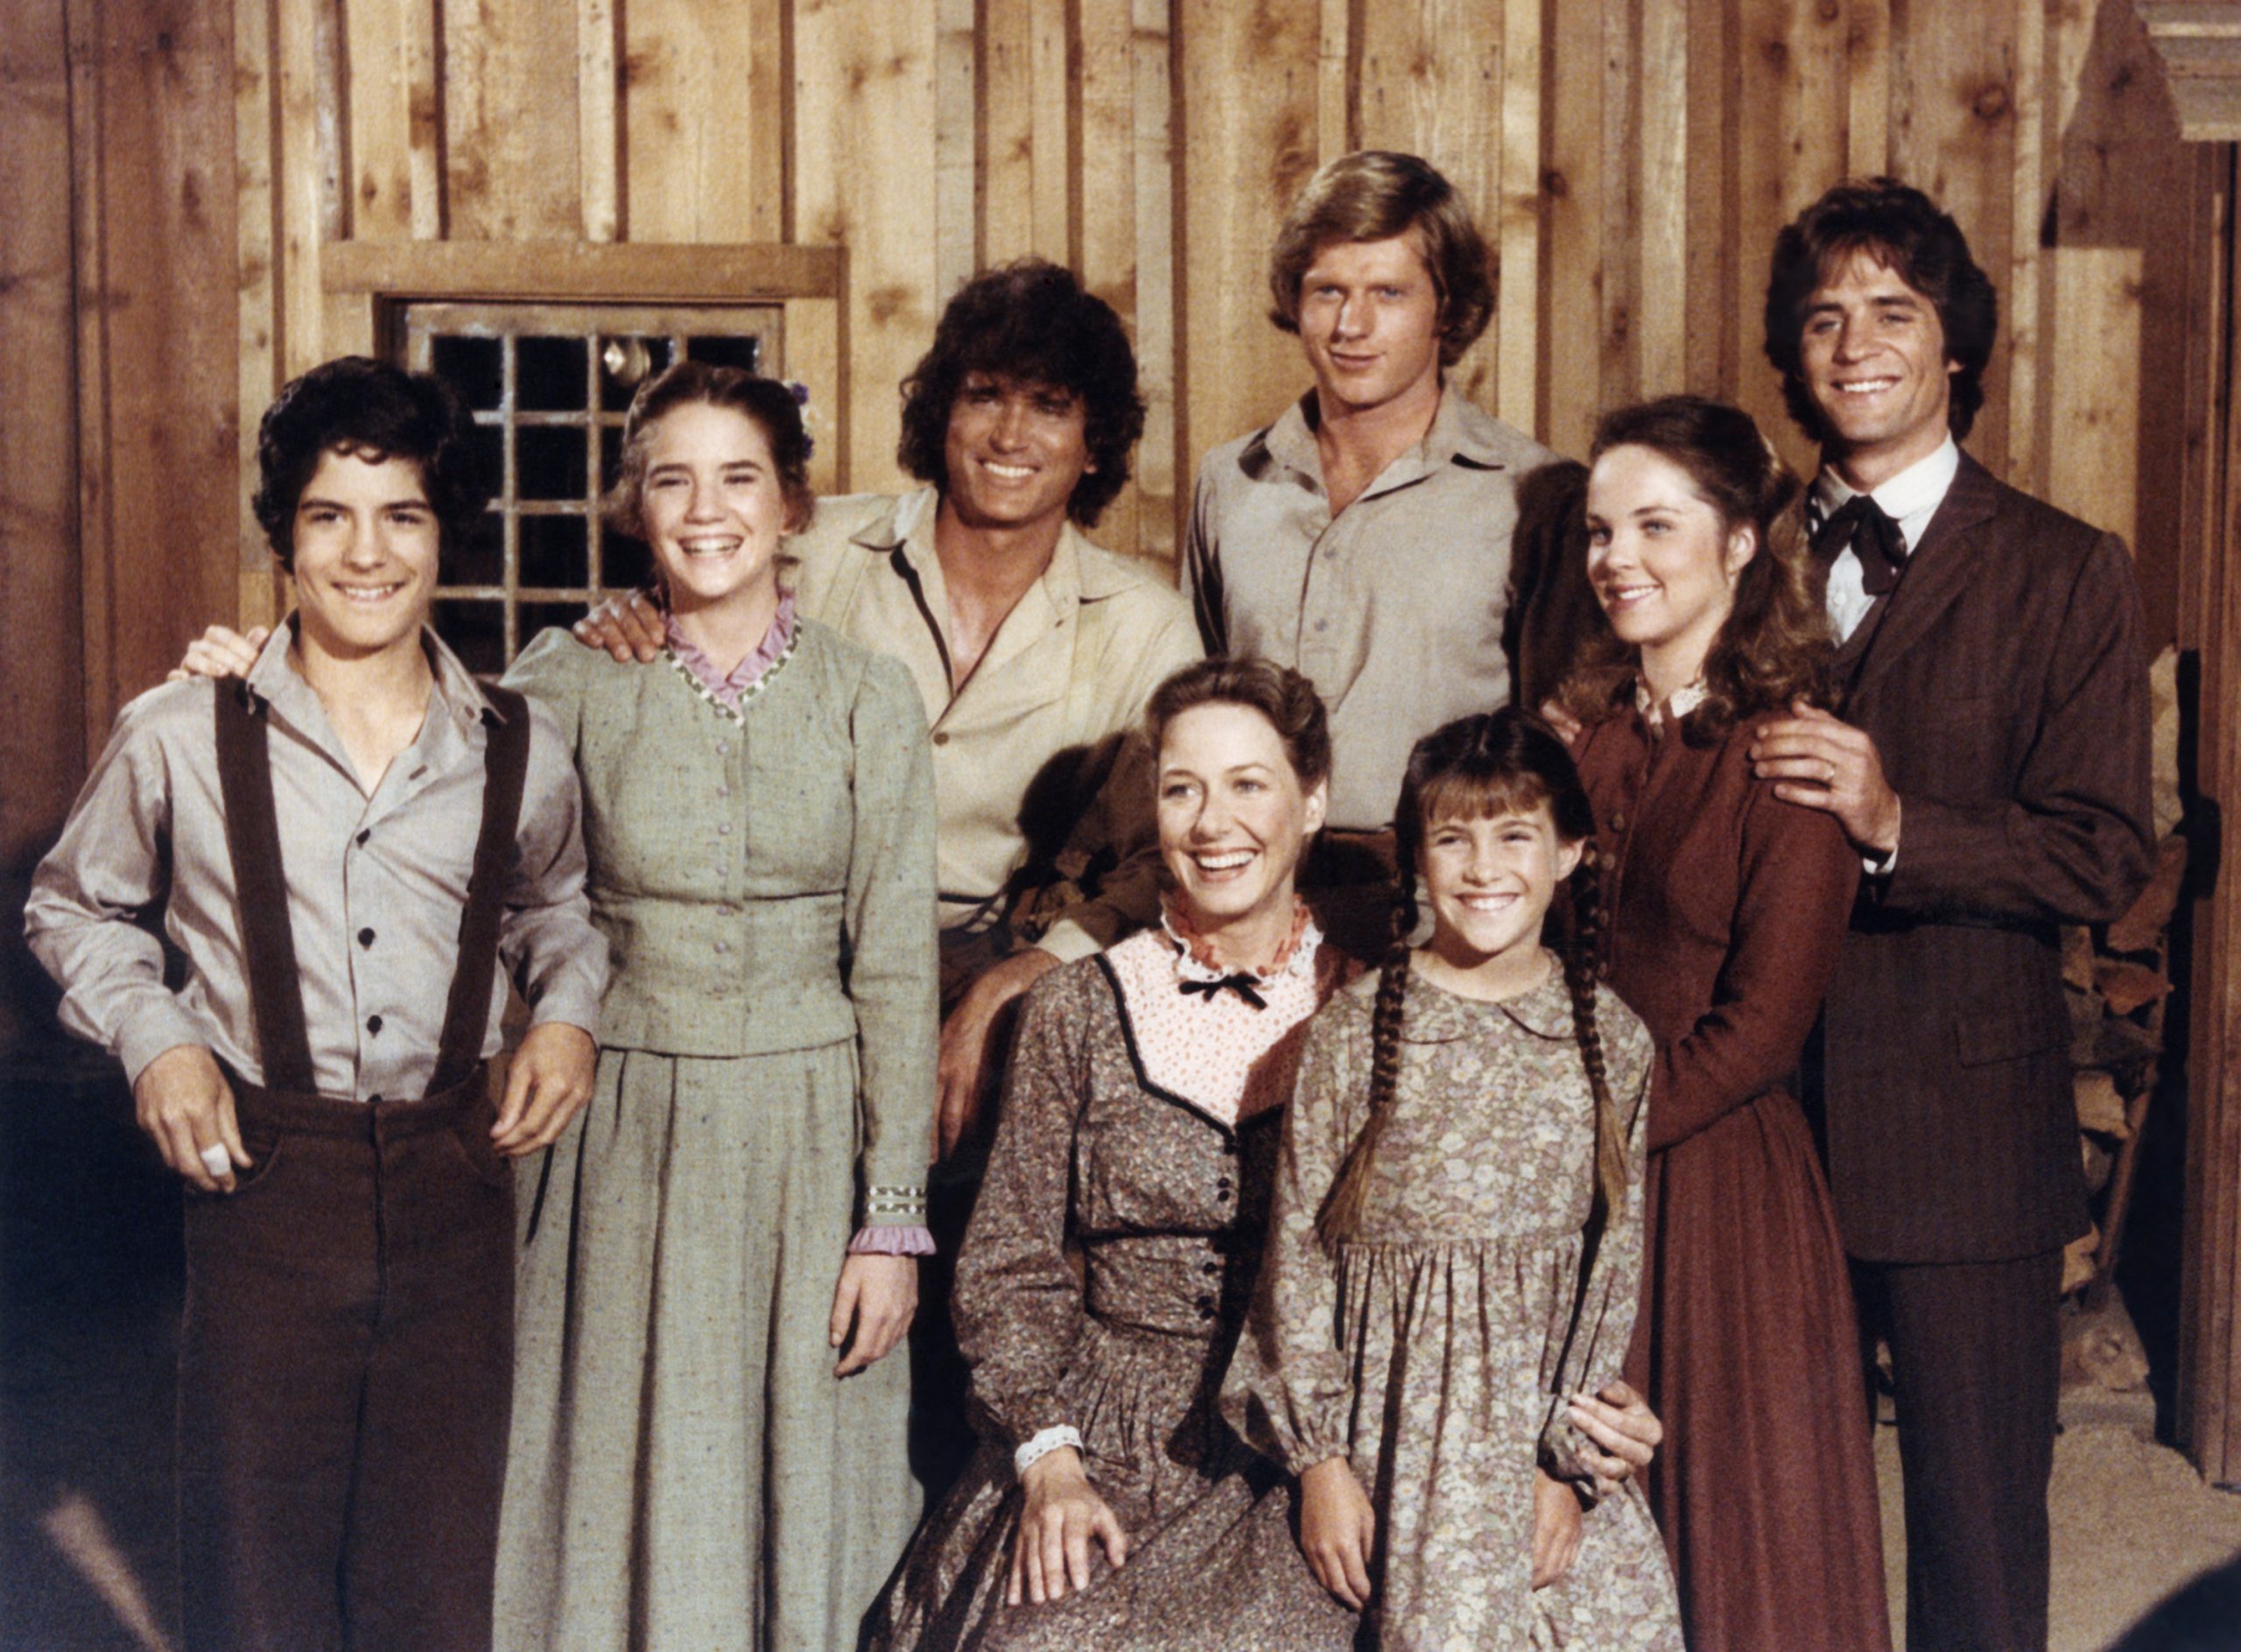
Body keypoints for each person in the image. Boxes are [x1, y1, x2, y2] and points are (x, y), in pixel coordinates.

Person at [173, 362, 941, 1649]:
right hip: (611, 1129)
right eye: (672, 481)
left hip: (806, 1137)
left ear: (793, 505)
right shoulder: (565, 680)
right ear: (634, 505)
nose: (707, 511)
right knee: (595, 1461)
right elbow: (408, 773)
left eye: (740, 478)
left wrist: (891, 1221)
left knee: (796, 1457)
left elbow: (899, 972)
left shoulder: (870, 696)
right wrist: (263, 672)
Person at [870, 663, 1659, 1651]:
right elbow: (1008, 1267)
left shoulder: (1386, 1012)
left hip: (1320, 1439)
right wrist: (1050, 1461)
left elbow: (1509, 1245)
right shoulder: (1075, 1011)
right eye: (1182, 789)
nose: (1214, 823)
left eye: (1248, 784)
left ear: (1313, 801)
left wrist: (1572, 1430)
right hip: (1107, 1433)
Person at [25, 356, 607, 1652]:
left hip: (457, 1178)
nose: (366, 553)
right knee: (255, 1569)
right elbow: (71, 907)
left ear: (444, 534)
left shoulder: (516, 743)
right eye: (329, 516)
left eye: (402, 515)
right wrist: (158, 1040)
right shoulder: (180, 730)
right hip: (265, 1179)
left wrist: (567, 1011)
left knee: (434, 1576)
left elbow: (555, 905)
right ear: (283, 537)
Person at [1749, 179, 2155, 1650]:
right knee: (1758, 1519)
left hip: (1965, 1124)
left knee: (1976, 1539)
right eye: (1824, 319)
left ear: (1955, 344)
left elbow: (2102, 852)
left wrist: (1897, 824)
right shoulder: (1733, 551)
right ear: (1793, 353)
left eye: (1894, 313)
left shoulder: (2064, 569)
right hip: (1758, 1114)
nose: (1856, 346)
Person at [1223, 709, 1683, 1652]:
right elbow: (1297, 1264)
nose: (1482, 869)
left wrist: (1567, 1471)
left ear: (1569, 853)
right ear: (1414, 859)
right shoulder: (1350, 1036)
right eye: (1452, 839)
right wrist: (1320, 1465)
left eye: (1515, 836)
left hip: (1536, 1454)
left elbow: (1610, 1272)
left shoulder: (1611, 1041)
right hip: (1386, 1448)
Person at [1556, 395, 1890, 1651]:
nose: (1617, 557)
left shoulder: (1789, 755)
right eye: (1601, 530)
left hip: (1721, 1195)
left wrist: (1586, 1132)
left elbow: (1759, 1033)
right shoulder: (1584, 743)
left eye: (1656, 525)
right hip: (1583, 1184)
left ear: (1741, 543)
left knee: (1742, 1540)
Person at [1184, 151, 1592, 959]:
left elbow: (1559, 747)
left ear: (1449, 308)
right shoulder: (1231, 481)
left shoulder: (1535, 494)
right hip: (1243, 894)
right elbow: (1202, 704)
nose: (1351, 326)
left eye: (1389, 293)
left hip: (1440, 912)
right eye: (1327, 291)